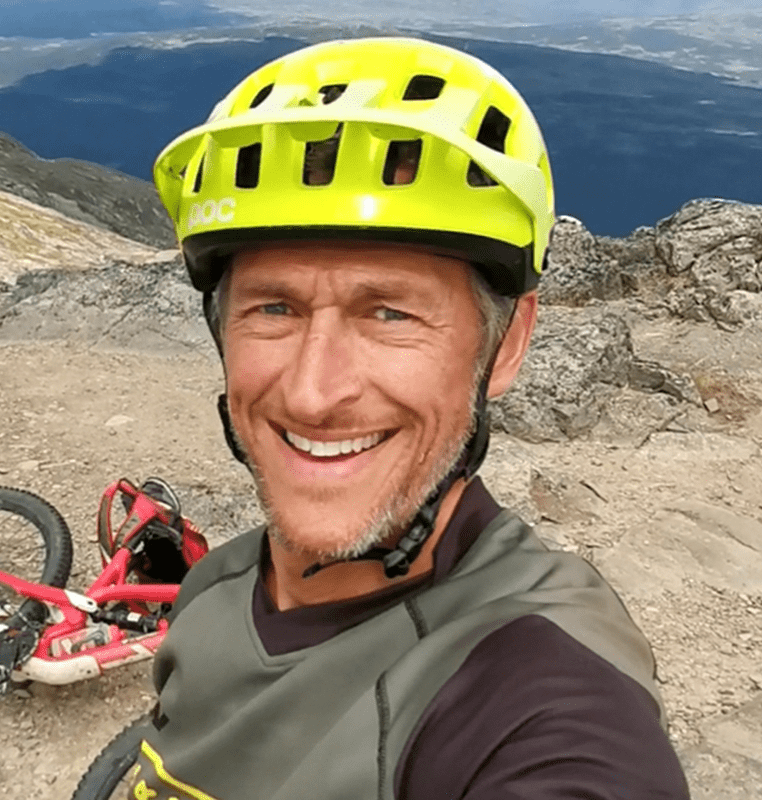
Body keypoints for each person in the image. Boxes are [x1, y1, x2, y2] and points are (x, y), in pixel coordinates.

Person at [131, 37, 690, 799]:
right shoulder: (217, 585)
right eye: (273, 308)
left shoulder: (538, 693)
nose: (312, 394)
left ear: (508, 342)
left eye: (389, 312)